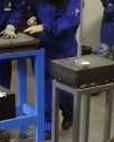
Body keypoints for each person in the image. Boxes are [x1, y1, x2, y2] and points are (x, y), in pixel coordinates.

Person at [23, 0, 80, 131]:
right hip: (43, 47)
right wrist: (32, 17)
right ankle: (47, 125)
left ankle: (68, 113)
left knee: (66, 90)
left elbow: (71, 20)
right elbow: (32, 8)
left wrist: (45, 27)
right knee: (44, 88)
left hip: (64, 49)